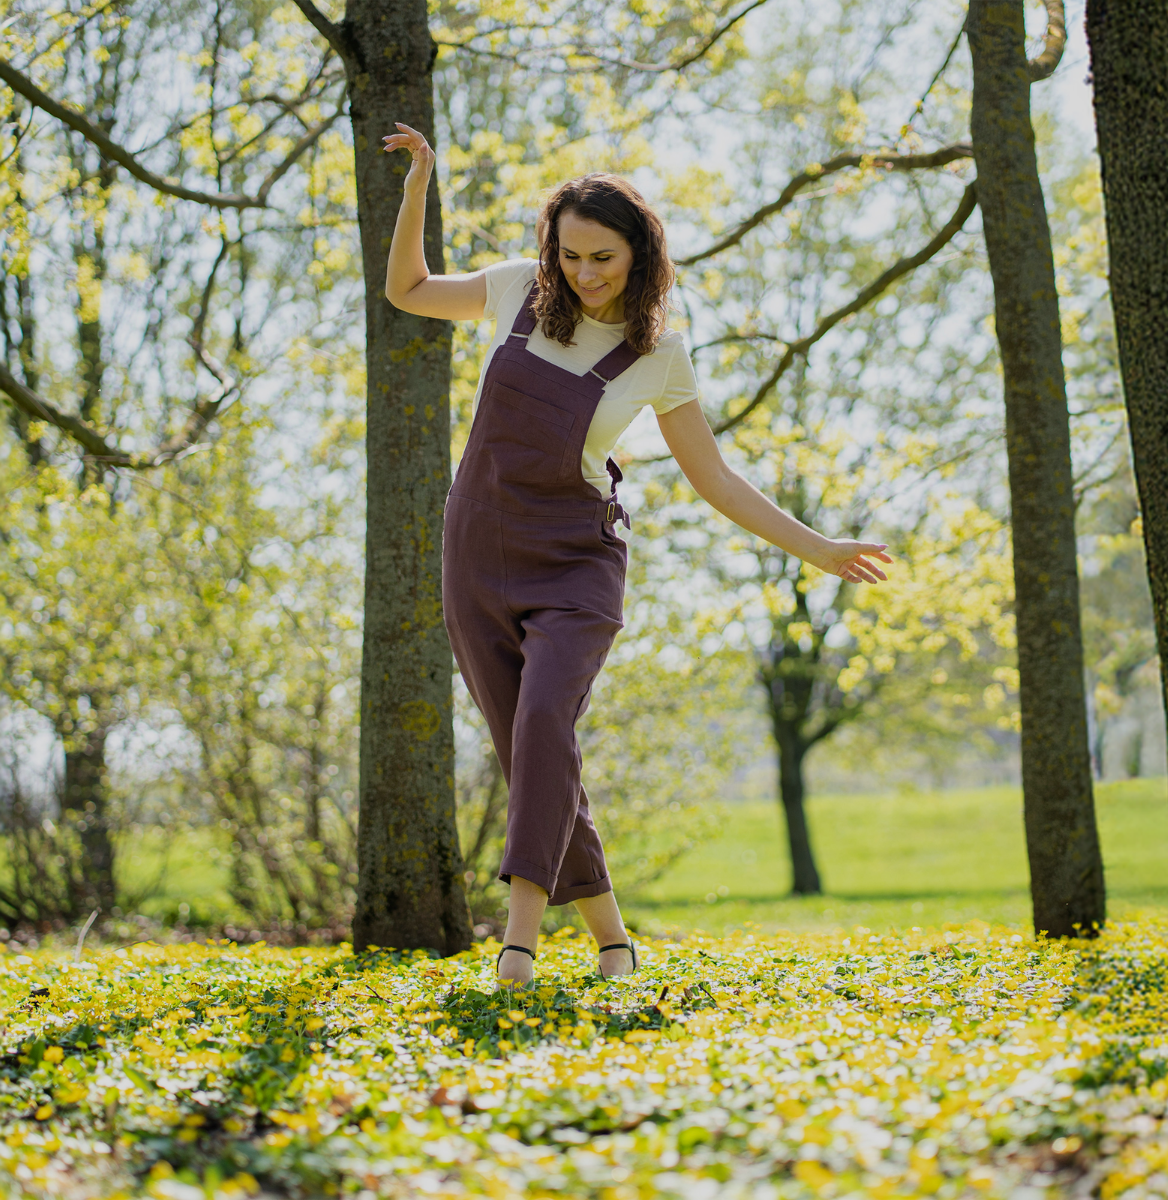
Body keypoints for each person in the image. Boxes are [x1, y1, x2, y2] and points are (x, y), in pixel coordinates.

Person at [382, 123, 893, 986]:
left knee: (545, 722)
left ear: (640, 257)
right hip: (475, 548)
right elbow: (408, 289)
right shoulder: (511, 291)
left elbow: (718, 481)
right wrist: (417, 186)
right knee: (531, 752)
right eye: (571, 254)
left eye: (603, 259)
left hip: (576, 562)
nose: (583, 273)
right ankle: (614, 940)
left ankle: (518, 944)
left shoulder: (659, 356)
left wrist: (819, 548)